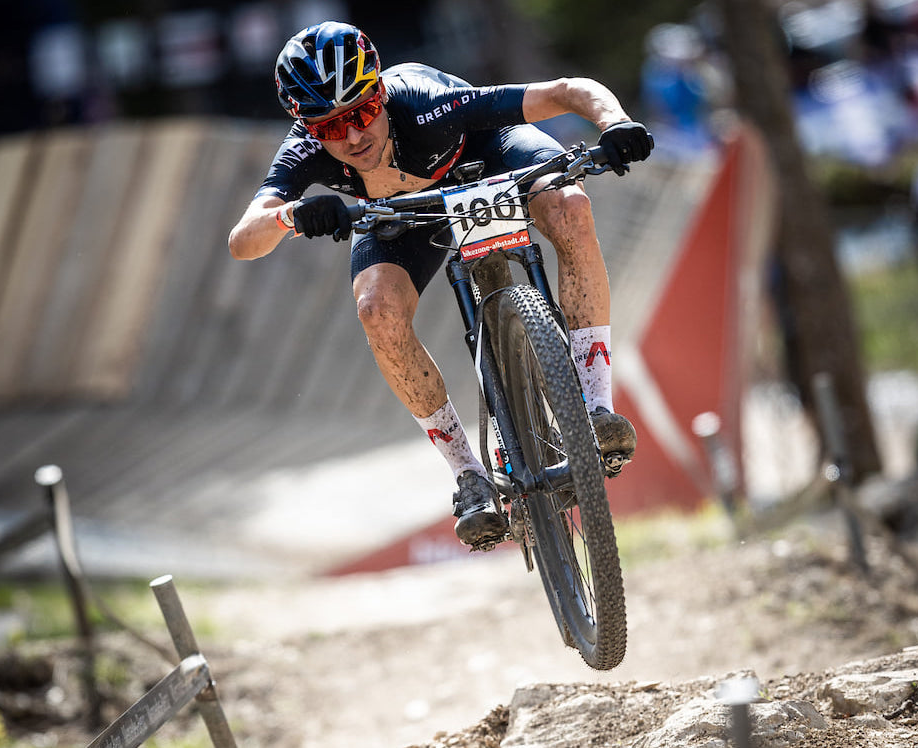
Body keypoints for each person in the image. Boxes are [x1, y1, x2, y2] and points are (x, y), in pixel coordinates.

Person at [228, 22, 652, 548]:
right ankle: (468, 474)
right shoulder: (304, 152)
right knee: (375, 309)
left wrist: (615, 123)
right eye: (330, 128)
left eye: (361, 113)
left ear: (380, 92)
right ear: (308, 128)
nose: (354, 137)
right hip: (399, 214)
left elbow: (564, 91)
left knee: (571, 208)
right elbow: (243, 239)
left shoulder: (429, 103)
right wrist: (291, 215)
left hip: (485, 157)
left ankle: (595, 407)